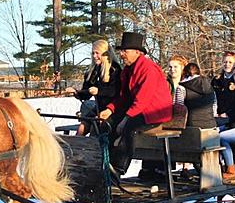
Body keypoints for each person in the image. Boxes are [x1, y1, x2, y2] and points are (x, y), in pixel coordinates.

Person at [99, 31, 172, 176]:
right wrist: (110, 109)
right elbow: (125, 97)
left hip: (155, 111)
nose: (122, 54)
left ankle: (119, 168)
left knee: (129, 127)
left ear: (137, 52)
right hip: (139, 109)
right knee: (107, 123)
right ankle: (104, 162)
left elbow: (143, 99)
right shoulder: (127, 70)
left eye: (125, 51)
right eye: (121, 51)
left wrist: (126, 119)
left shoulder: (148, 69)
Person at [65, 39, 121, 135]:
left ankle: (93, 148)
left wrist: (99, 91)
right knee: (82, 126)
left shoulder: (115, 70)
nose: (94, 56)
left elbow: (114, 91)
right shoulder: (94, 71)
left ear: (105, 54)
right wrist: (76, 93)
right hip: (98, 108)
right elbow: (86, 93)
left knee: (95, 128)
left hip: (113, 109)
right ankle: (76, 147)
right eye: (93, 53)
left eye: (97, 53)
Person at [179, 61, 216, 129]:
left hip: (192, 127)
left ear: (184, 73)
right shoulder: (209, 85)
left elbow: (179, 109)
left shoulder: (182, 88)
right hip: (211, 125)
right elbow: (214, 104)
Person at [212, 51, 235, 127]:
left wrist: (228, 114)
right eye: (225, 62)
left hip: (232, 117)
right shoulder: (216, 80)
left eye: (230, 62)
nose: (227, 64)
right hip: (217, 116)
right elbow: (211, 98)